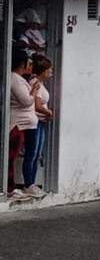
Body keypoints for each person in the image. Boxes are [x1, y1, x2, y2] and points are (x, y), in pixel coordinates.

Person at [8, 49, 41, 201]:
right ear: (22, 64)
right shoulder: (14, 78)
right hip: (17, 124)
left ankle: (12, 186)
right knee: (10, 157)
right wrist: (34, 89)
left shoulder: (20, 79)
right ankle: (9, 188)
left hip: (24, 124)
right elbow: (26, 101)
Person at [25, 55, 54, 199]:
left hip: (41, 122)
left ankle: (32, 183)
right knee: (32, 153)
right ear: (43, 71)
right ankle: (28, 183)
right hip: (35, 122)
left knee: (36, 154)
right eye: (49, 69)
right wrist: (48, 111)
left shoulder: (40, 84)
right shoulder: (35, 84)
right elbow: (35, 105)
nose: (51, 71)